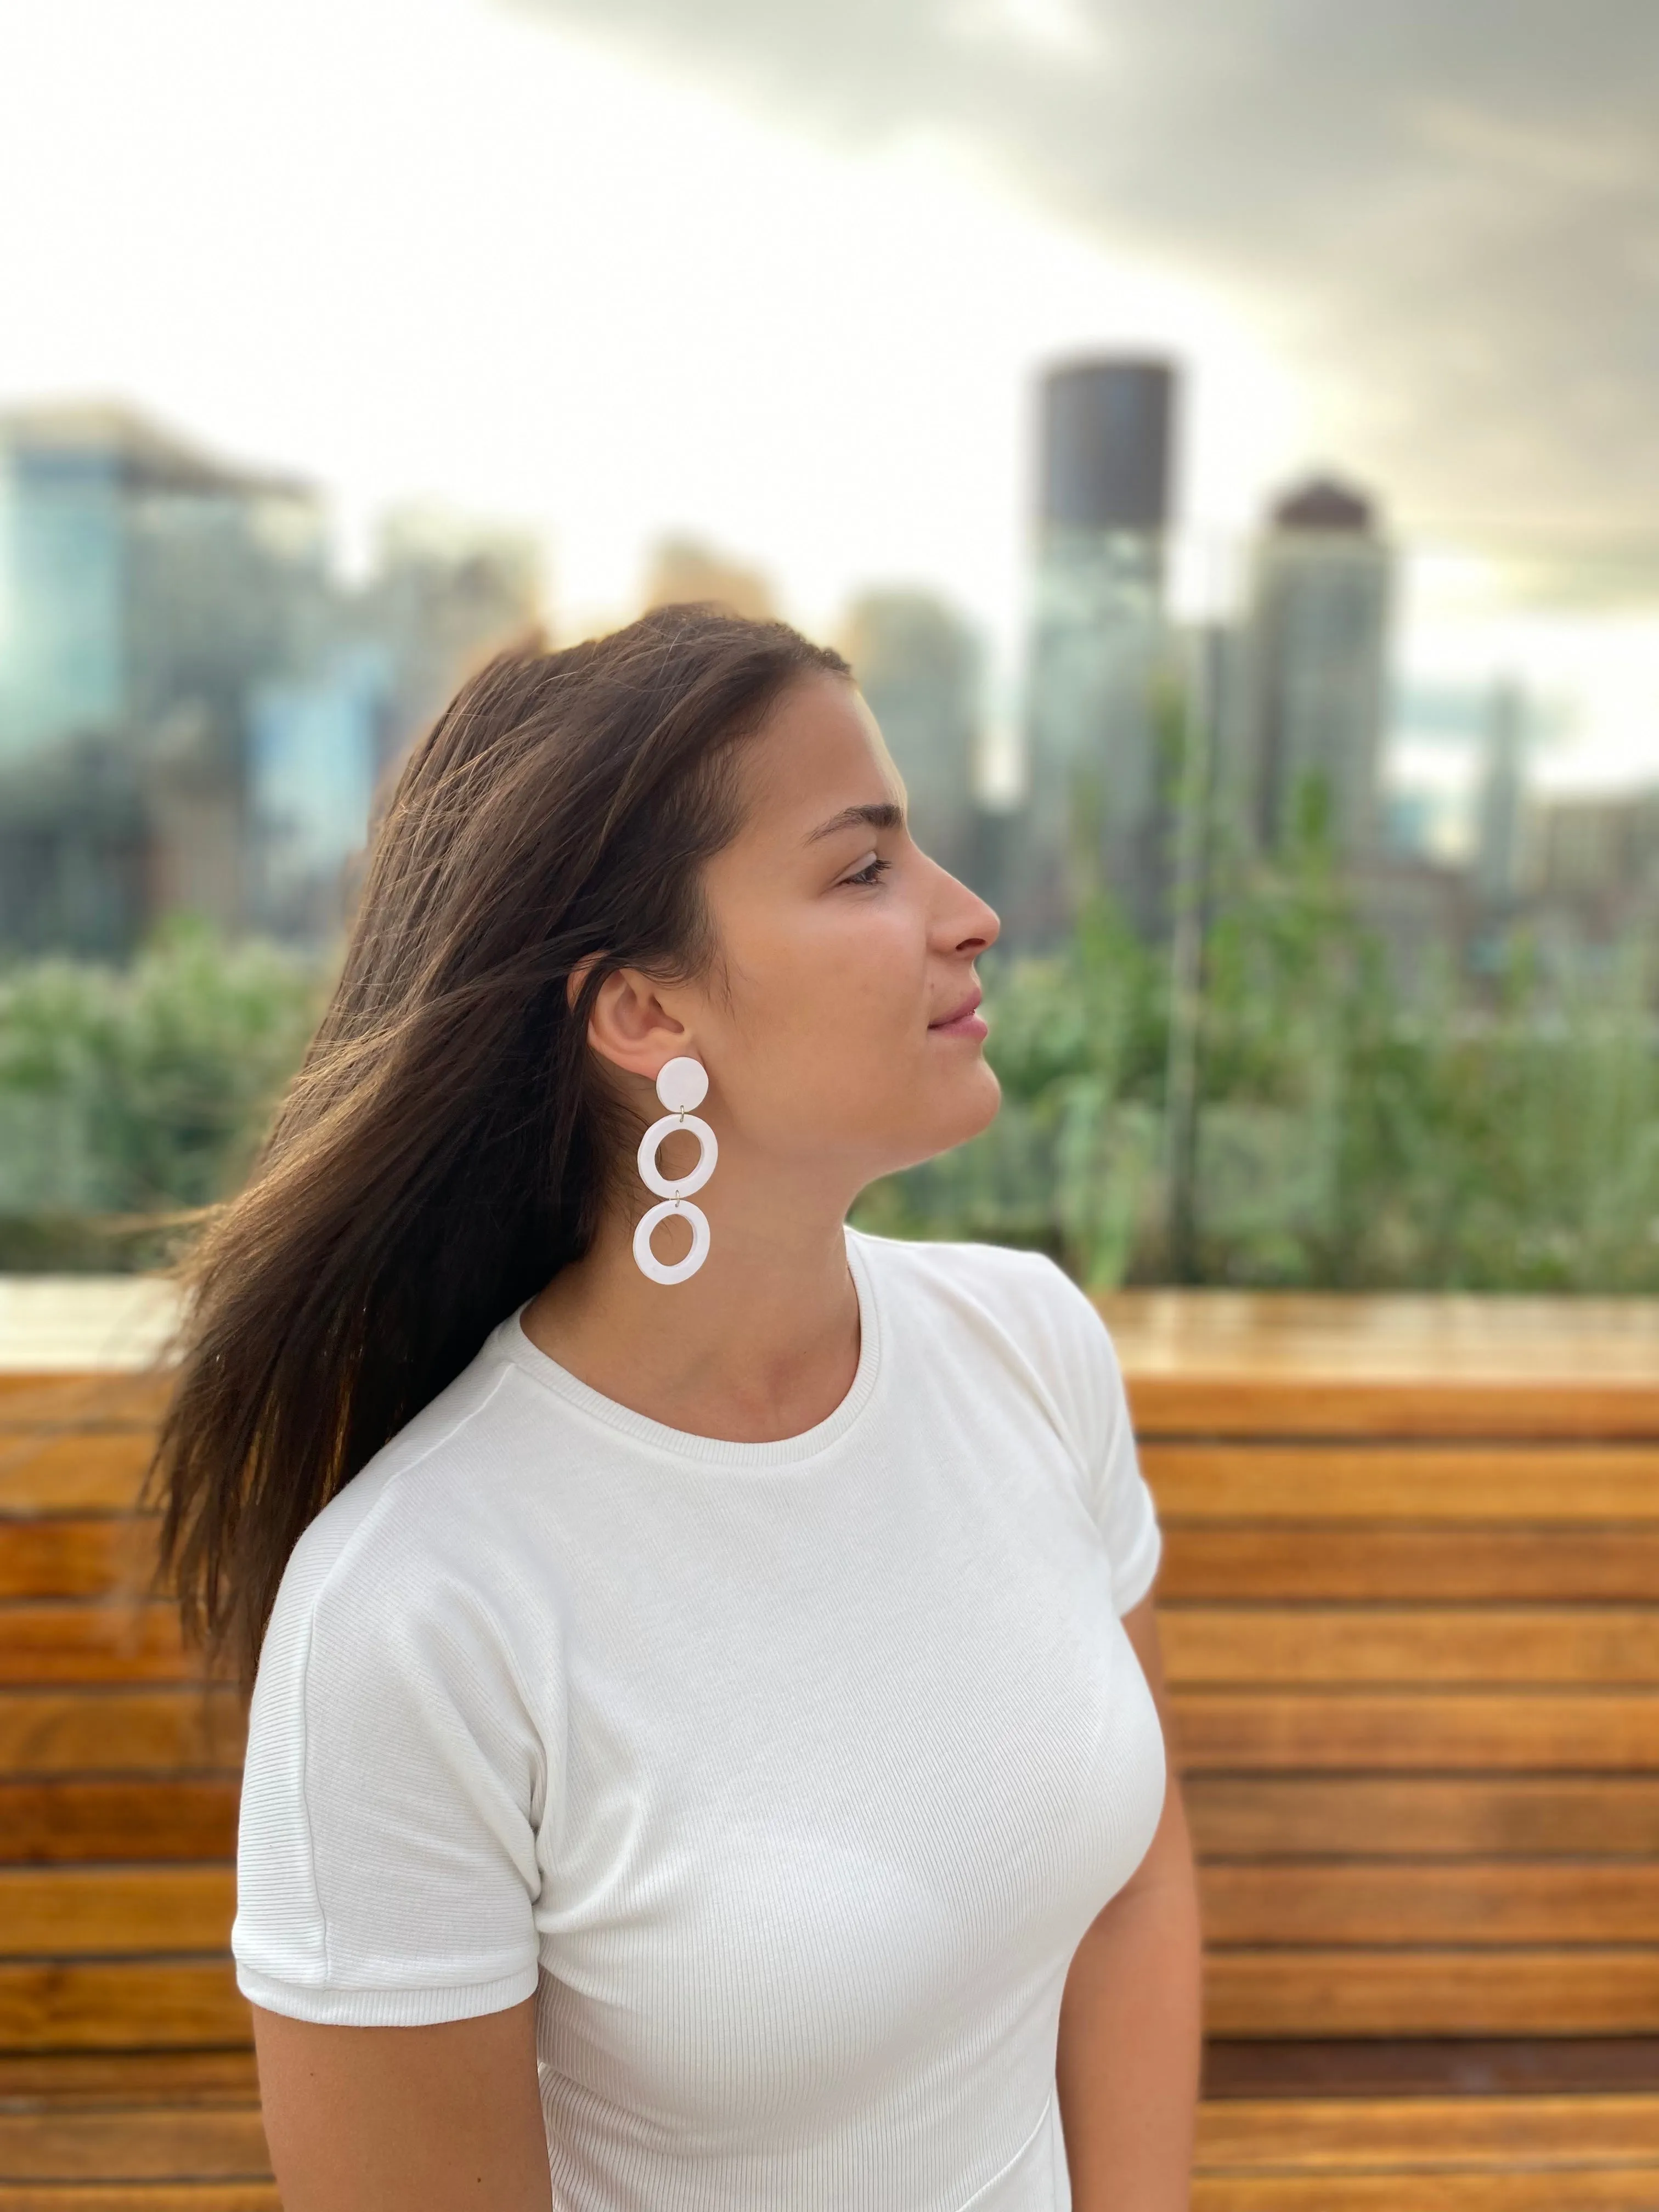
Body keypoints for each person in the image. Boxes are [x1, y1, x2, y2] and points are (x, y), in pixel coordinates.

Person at [154, 606, 1202, 2211]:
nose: (971, 915)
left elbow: (1131, 1881)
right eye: (865, 868)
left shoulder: (1029, 1349)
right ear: (646, 1014)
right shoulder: (416, 1612)